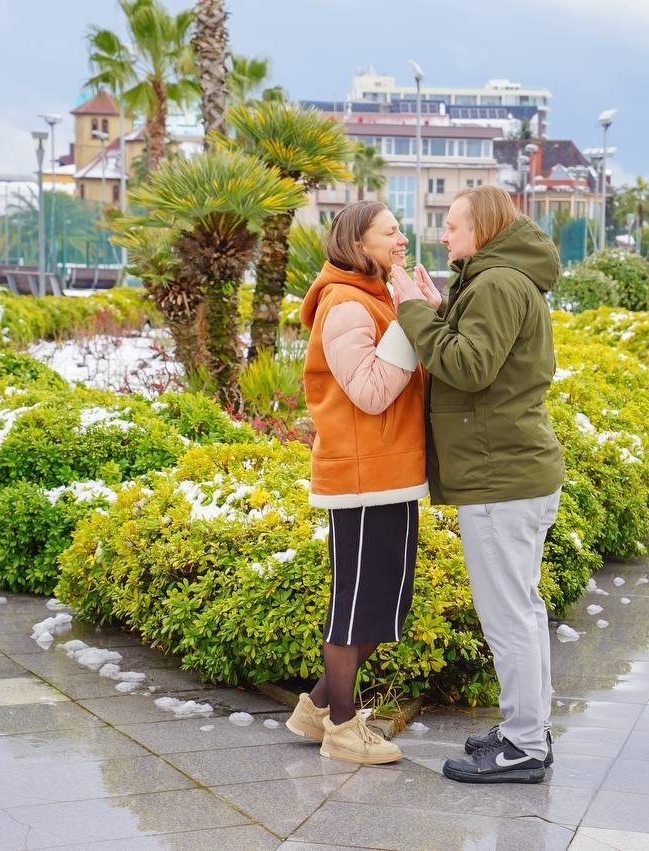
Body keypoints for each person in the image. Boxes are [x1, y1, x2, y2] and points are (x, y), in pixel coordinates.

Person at [391, 185, 564, 784]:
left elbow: (468, 365)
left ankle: (522, 747)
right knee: (523, 609)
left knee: (509, 616)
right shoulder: (507, 279)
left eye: (453, 225)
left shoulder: (494, 283)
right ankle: (527, 728)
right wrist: (440, 309)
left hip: (501, 479)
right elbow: (480, 352)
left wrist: (412, 308)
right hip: (516, 472)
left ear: (483, 230)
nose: (443, 235)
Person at [283, 200, 429, 765]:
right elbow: (369, 393)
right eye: (390, 231)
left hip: (389, 474)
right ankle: (343, 728)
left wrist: (417, 313)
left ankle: (317, 708)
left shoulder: (374, 298)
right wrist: (410, 329)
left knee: (384, 603)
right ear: (359, 243)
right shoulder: (344, 304)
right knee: (356, 607)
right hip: (364, 477)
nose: (401, 238)